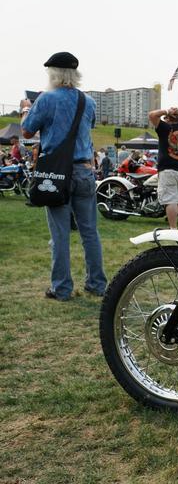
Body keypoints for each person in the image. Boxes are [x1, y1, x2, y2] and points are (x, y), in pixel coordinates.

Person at [20, 51, 107, 301]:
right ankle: (96, 284)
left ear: (53, 74)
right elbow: (85, 130)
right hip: (84, 171)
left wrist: (26, 110)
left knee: (60, 234)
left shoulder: (46, 99)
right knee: (90, 232)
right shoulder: (88, 102)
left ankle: (62, 288)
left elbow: (26, 132)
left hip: (56, 173)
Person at [148, 106, 178, 230]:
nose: (164, 119)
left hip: (167, 169)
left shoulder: (165, 127)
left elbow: (152, 115)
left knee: (171, 201)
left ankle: (173, 228)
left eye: (165, 118)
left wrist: (166, 111)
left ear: (168, 119)